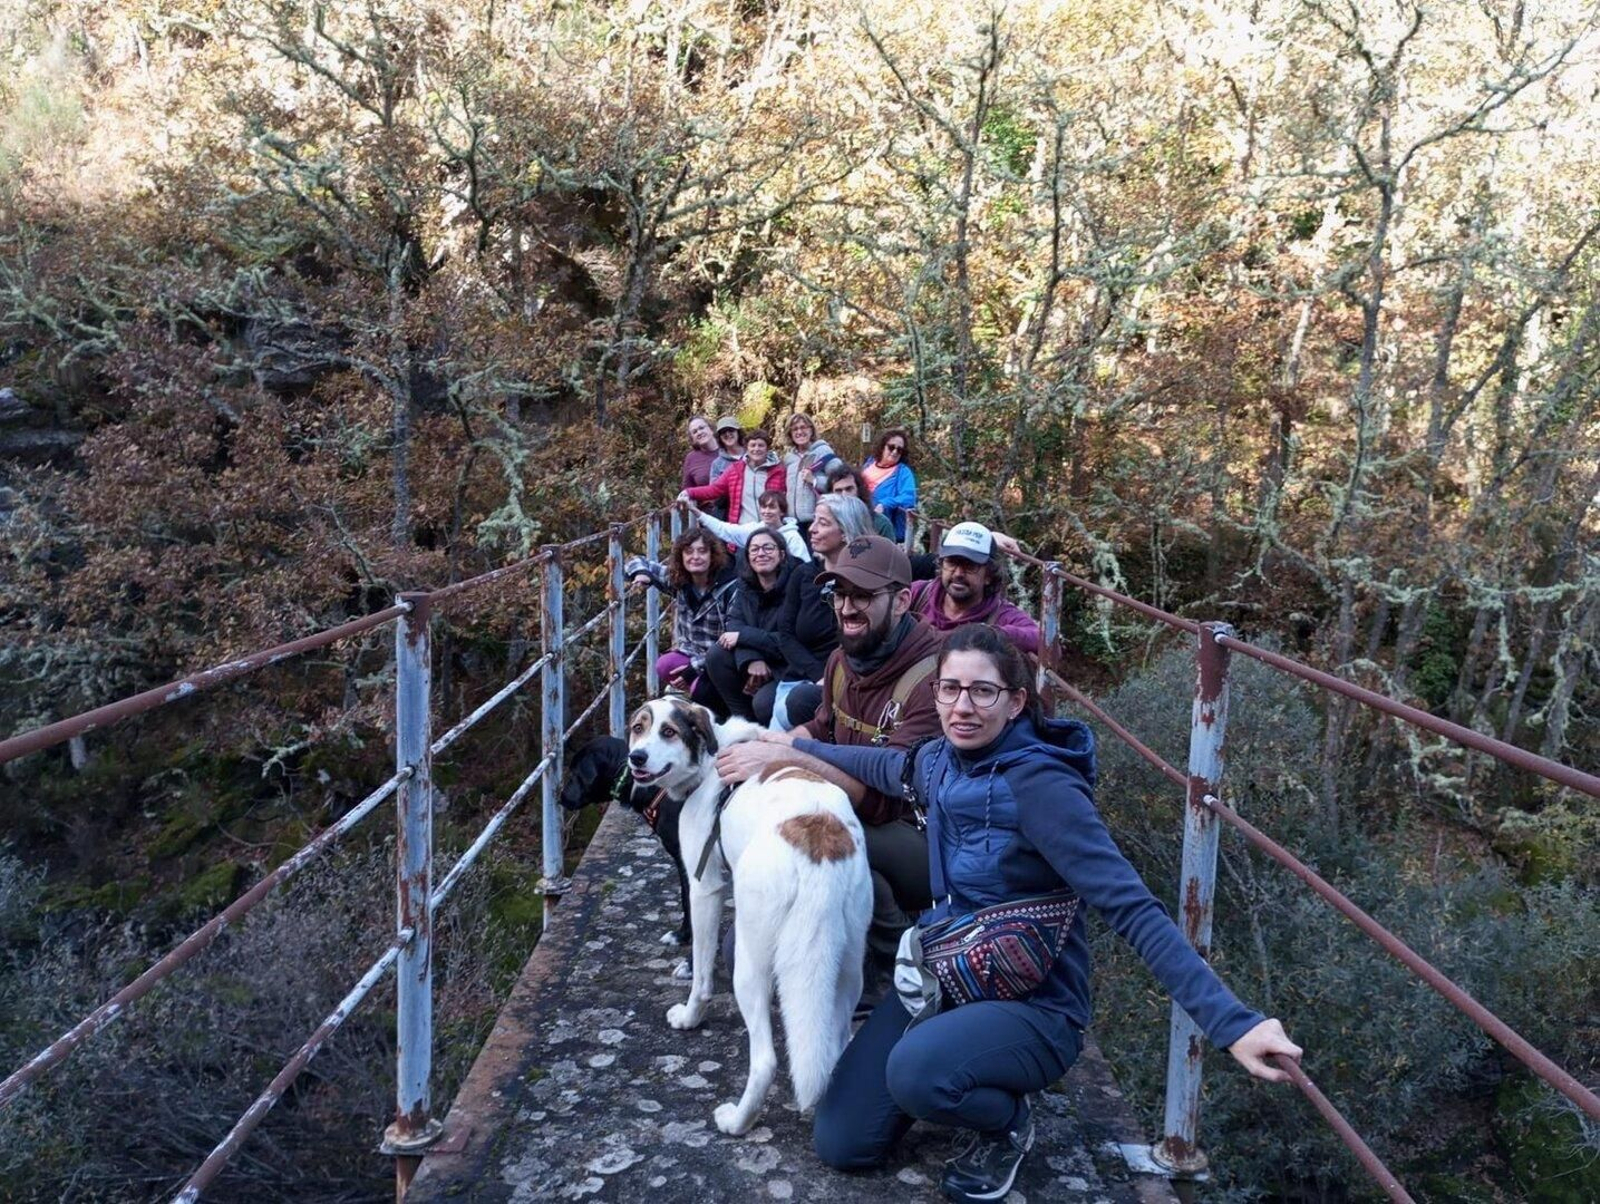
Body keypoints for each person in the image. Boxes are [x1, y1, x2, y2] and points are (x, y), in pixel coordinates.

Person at [726, 624, 1303, 1199]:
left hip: (1034, 1001)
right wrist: (793, 749)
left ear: (1016, 701)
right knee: (842, 1143)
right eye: (950, 689)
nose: (963, 707)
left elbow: (1132, 907)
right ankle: (947, 1064)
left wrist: (1233, 1023)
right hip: (951, 970)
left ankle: (1004, 1122)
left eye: (983, 691)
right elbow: (880, 766)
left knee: (916, 1072)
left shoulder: (1043, 788)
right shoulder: (939, 761)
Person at [720, 535, 941, 1004]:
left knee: (834, 845)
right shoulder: (843, 659)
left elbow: (886, 796)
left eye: (863, 595)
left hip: (922, 839)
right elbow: (823, 728)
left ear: (902, 601)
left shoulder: (933, 679)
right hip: (855, 812)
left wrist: (787, 757)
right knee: (741, 950)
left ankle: (895, 961)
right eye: (839, 594)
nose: (846, 608)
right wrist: (766, 743)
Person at [767, 493, 875, 730]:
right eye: (814, 520)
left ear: (846, 531)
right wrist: (818, 675)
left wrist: (832, 679)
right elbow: (785, 634)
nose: (812, 529)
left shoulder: (871, 582)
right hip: (800, 679)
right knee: (776, 730)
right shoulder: (802, 575)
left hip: (849, 685)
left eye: (823, 523)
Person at [624, 525, 738, 711]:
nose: (695, 557)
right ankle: (701, 690)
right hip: (693, 652)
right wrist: (643, 574)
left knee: (702, 692)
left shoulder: (730, 589)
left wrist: (694, 668)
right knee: (665, 665)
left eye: (702, 551)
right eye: (689, 552)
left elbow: (730, 642)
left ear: (713, 555)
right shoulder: (681, 580)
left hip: (722, 657)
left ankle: (716, 705)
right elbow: (635, 561)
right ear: (681, 556)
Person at [702, 528, 797, 723]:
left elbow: (791, 638)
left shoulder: (797, 585)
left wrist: (744, 637)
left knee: (764, 704)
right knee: (716, 655)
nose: (761, 553)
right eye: (754, 549)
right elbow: (734, 624)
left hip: (788, 664)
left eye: (768, 548)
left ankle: (770, 733)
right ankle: (744, 724)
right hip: (758, 654)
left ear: (782, 554)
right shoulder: (745, 586)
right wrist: (752, 658)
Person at [908, 521, 1041, 653]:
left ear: (989, 575)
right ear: (941, 565)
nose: (958, 573)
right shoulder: (918, 594)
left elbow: (1042, 640)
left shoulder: (1000, 614)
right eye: (951, 563)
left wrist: (989, 634)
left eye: (970, 566)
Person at [683, 428, 787, 526]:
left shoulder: (778, 470)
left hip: (771, 529)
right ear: (747, 448)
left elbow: (786, 498)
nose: (756, 449)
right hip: (742, 529)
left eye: (761, 445)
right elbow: (714, 489)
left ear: (767, 448)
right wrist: (689, 492)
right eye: (753, 445)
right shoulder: (735, 469)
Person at [683, 489, 809, 561]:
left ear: (782, 511)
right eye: (763, 507)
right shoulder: (754, 530)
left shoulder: (792, 537)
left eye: (772, 507)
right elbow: (724, 529)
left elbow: (804, 566)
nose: (766, 511)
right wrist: (695, 511)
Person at [781, 412, 843, 538]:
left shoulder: (823, 452)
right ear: (790, 434)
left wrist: (814, 480)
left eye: (803, 427)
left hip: (817, 520)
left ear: (811, 430)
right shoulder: (789, 458)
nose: (799, 432)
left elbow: (840, 481)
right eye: (795, 429)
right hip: (793, 523)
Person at [862, 426, 917, 542]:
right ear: (882, 446)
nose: (895, 452)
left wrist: (886, 503)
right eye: (891, 447)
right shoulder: (869, 464)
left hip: (883, 529)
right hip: (860, 521)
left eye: (899, 450)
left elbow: (909, 498)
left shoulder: (903, 472)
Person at [827, 462, 897, 540]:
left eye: (849, 489)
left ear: (859, 490)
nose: (844, 495)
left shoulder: (881, 524)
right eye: (838, 491)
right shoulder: (825, 524)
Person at [680, 415, 720, 492]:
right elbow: (687, 491)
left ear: (711, 429)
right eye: (694, 432)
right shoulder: (691, 458)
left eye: (701, 428)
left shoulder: (727, 448)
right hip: (707, 499)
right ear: (692, 439)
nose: (699, 432)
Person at [709, 415, 745, 481]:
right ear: (719, 437)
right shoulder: (717, 464)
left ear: (738, 432)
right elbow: (715, 486)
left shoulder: (752, 454)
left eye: (731, 430)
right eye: (723, 432)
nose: (727, 434)